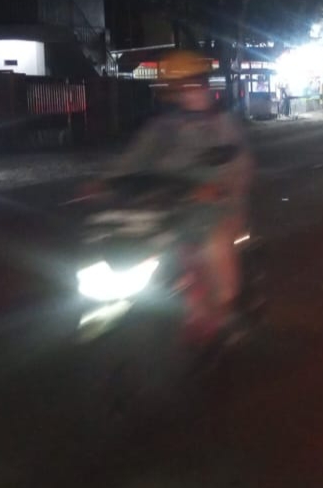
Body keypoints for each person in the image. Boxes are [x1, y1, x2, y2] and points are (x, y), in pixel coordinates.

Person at [108, 49, 254, 341]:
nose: (186, 92)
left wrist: (219, 186)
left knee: (214, 249)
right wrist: (106, 181)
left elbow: (238, 163)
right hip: (170, 205)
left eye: (191, 84)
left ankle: (228, 312)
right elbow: (134, 157)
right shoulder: (162, 126)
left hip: (217, 209)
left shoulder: (222, 123)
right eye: (178, 87)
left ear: (203, 83)